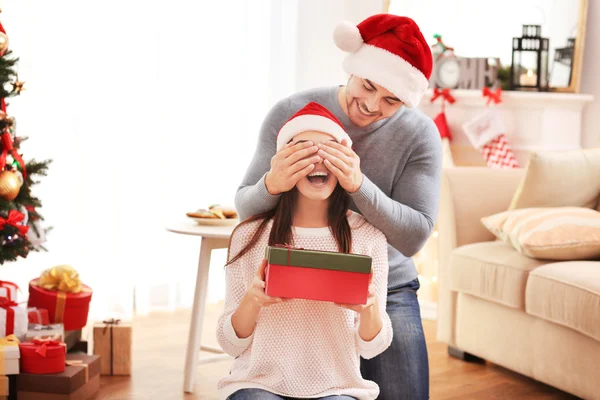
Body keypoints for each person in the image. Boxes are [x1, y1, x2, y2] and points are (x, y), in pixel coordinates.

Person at [234, 14, 442, 400]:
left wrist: (358, 185)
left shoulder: (419, 135)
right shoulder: (291, 112)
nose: (372, 105)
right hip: (296, 273)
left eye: (392, 100)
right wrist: (272, 184)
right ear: (354, 69)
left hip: (385, 284)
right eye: (368, 86)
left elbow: (414, 237)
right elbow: (246, 210)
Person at [217, 102, 393, 400]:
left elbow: (373, 347)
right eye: (303, 151)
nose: (317, 161)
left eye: (328, 150)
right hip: (259, 385)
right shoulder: (249, 235)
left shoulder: (368, 236)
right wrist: (253, 299)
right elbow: (230, 343)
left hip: (337, 387)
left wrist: (369, 308)